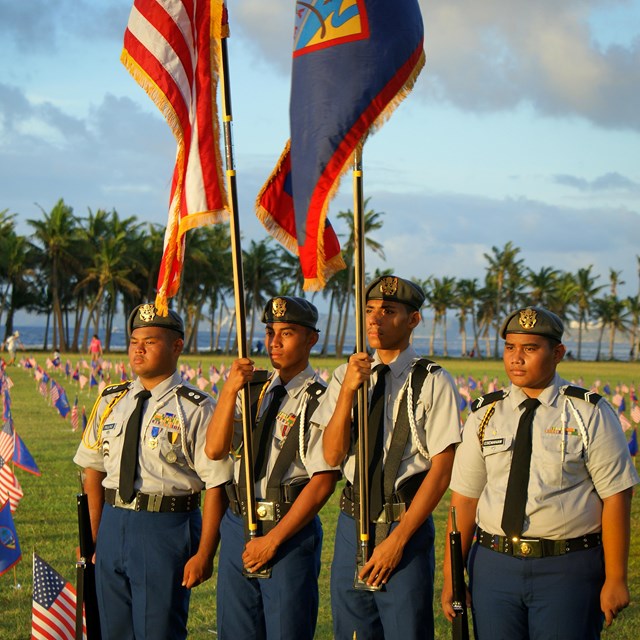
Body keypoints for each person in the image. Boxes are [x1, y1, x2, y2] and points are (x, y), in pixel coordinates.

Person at [442, 306, 640, 640]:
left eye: (530, 349)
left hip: (567, 566)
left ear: (558, 353)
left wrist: (616, 577)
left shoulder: (589, 412)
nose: (516, 359)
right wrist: (452, 578)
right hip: (494, 563)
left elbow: (617, 497)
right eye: (510, 348)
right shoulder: (484, 414)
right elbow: (464, 500)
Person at [315, 275, 462, 640]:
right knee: (352, 630)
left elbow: (442, 472)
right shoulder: (344, 376)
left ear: (412, 320)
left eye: (388, 311)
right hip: (352, 520)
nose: (375, 319)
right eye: (369, 310)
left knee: (405, 630)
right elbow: (332, 454)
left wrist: (398, 541)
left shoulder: (431, 380)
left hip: (404, 523)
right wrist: (349, 390)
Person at [74, 303, 231, 639]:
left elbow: (217, 485)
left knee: (158, 629)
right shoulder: (111, 399)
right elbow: (93, 472)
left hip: (165, 528)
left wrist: (205, 553)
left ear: (177, 346)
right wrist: (94, 536)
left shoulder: (196, 407)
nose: (139, 349)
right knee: (112, 629)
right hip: (114, 523)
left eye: (150, 341)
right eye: (134, 341)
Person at [205, 296, 339, 640]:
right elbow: (215, 448)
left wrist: (273, 540)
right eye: (269, 332)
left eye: (287, 333)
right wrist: (228, 390)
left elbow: (323, 481)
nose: (274, 342)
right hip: (238, 522)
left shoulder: (321, 399)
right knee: (235, 630)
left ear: (311, 339)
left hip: (287, 529)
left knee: (285, 629)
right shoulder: (253, 389)